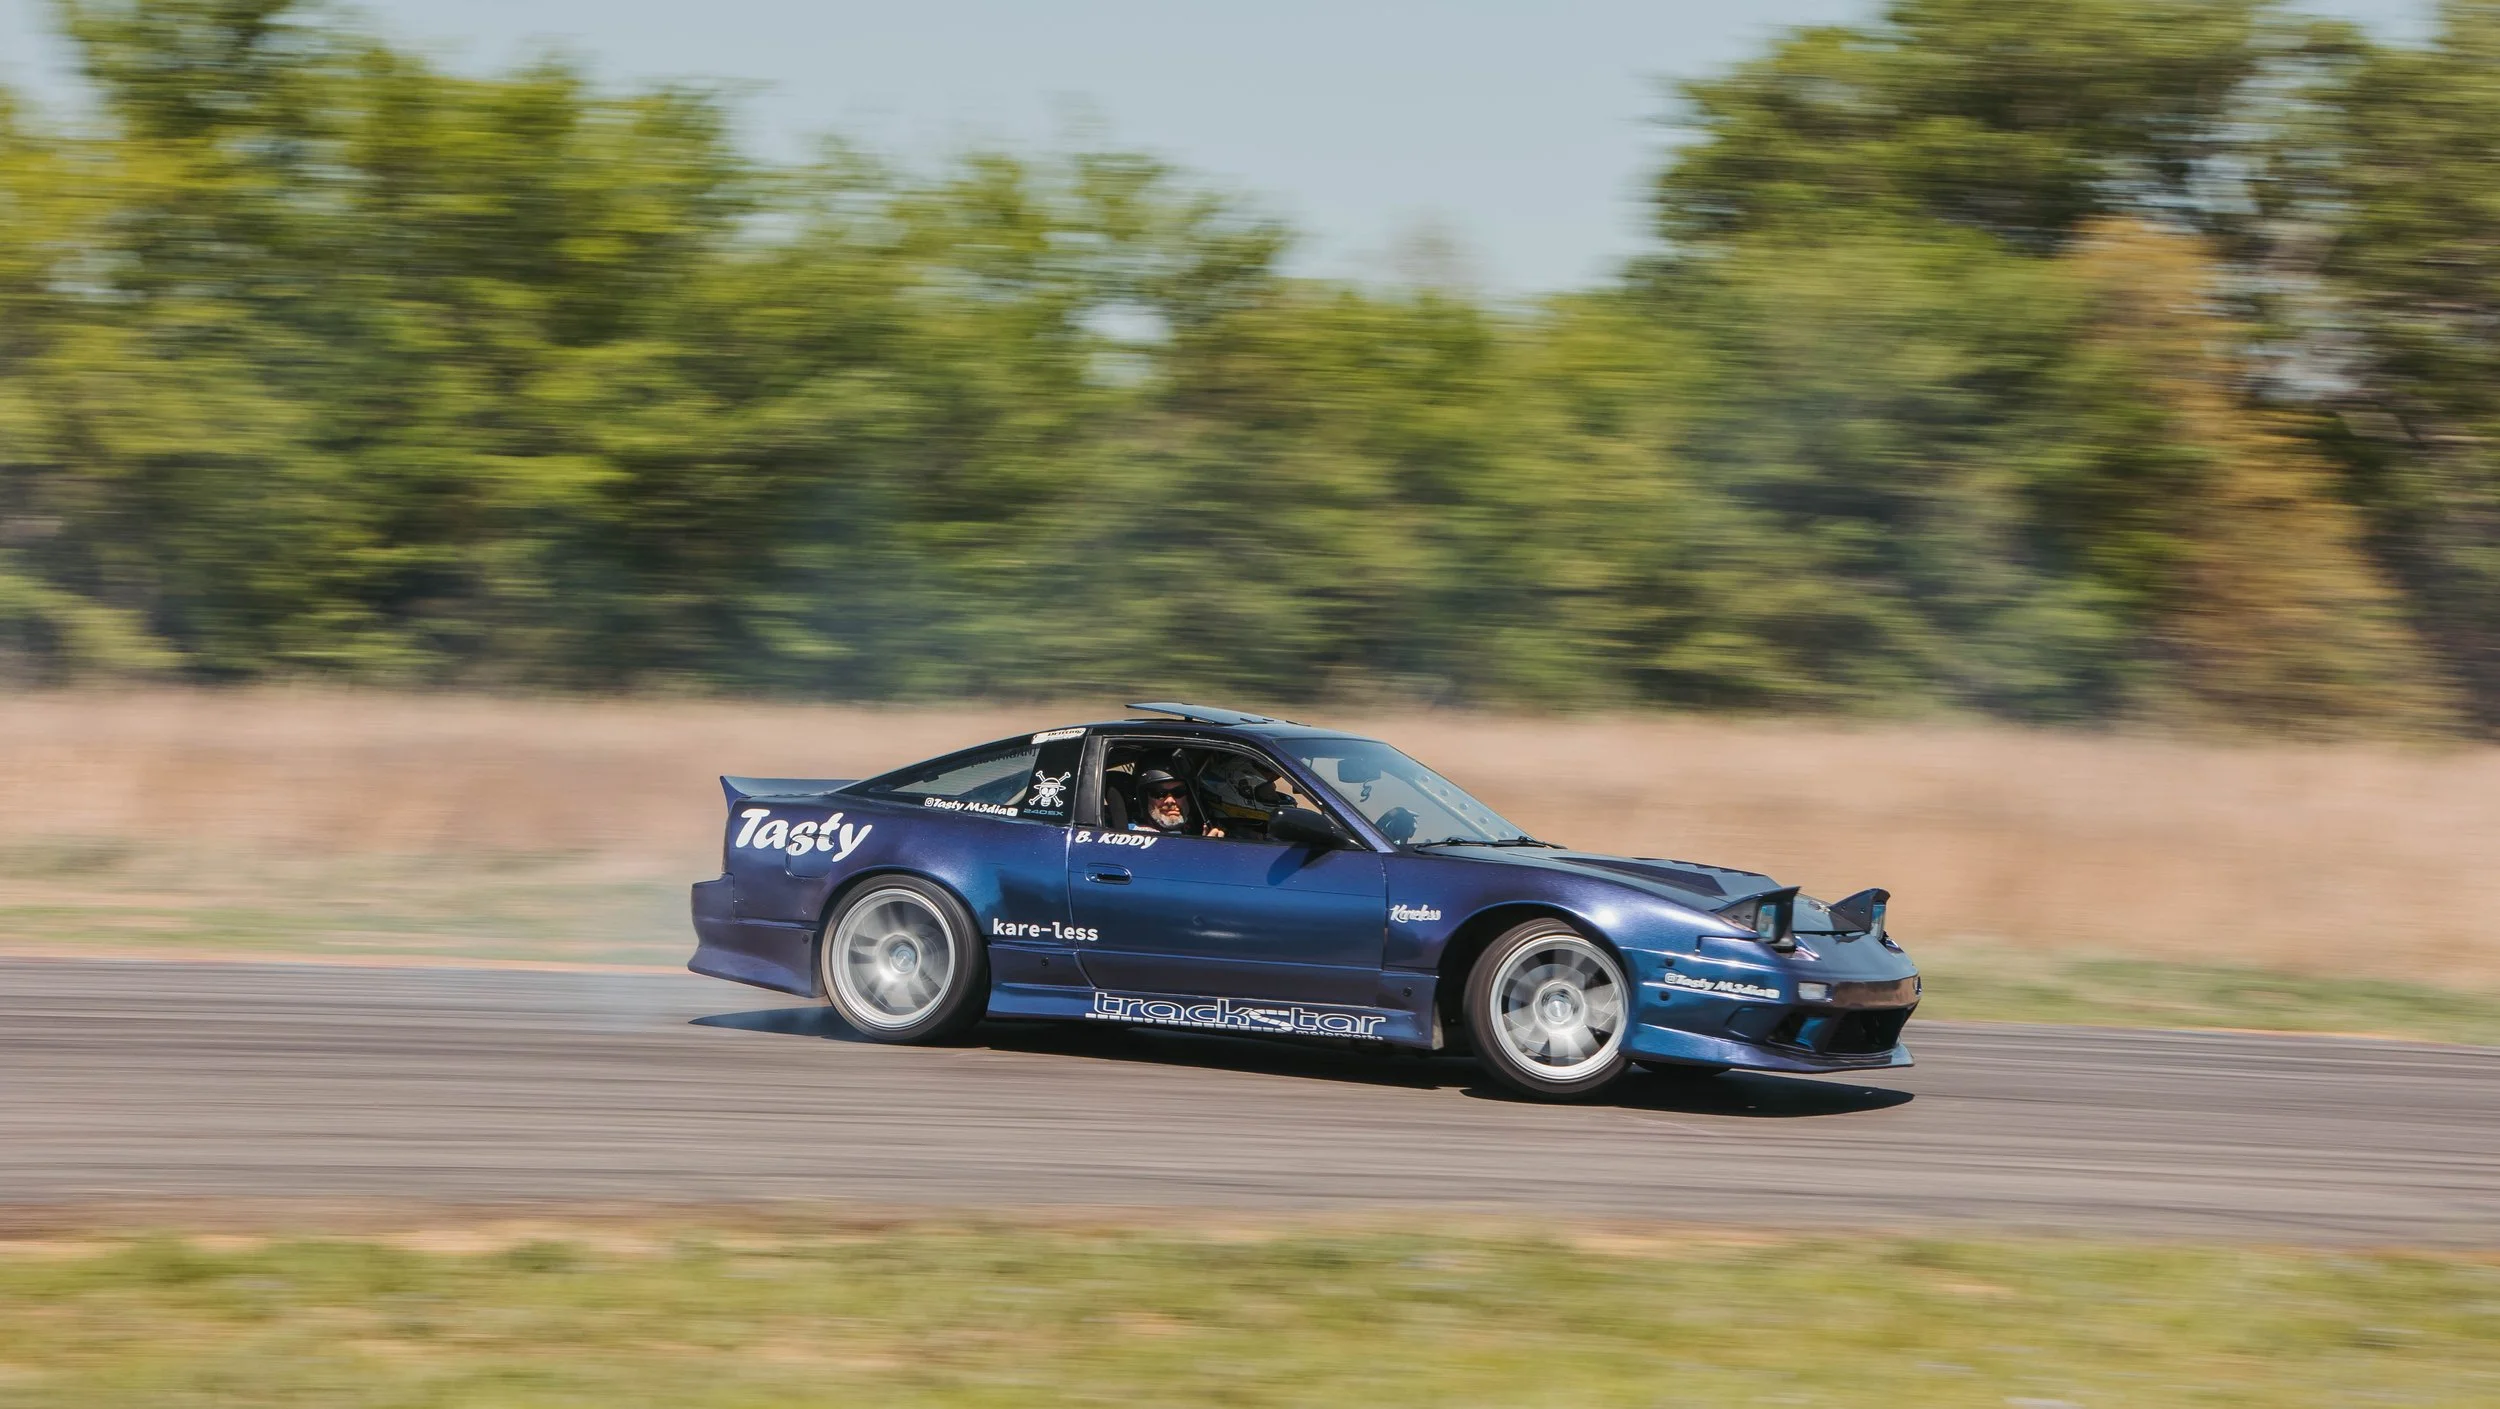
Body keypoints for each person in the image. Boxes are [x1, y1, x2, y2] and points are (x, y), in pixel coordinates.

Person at [1131, 769, 1223, 838]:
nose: (1170, 800)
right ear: (1144, 799)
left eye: (1179, 792)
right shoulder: (1133, 836)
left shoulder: (1198, 829)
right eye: (1159, 793)